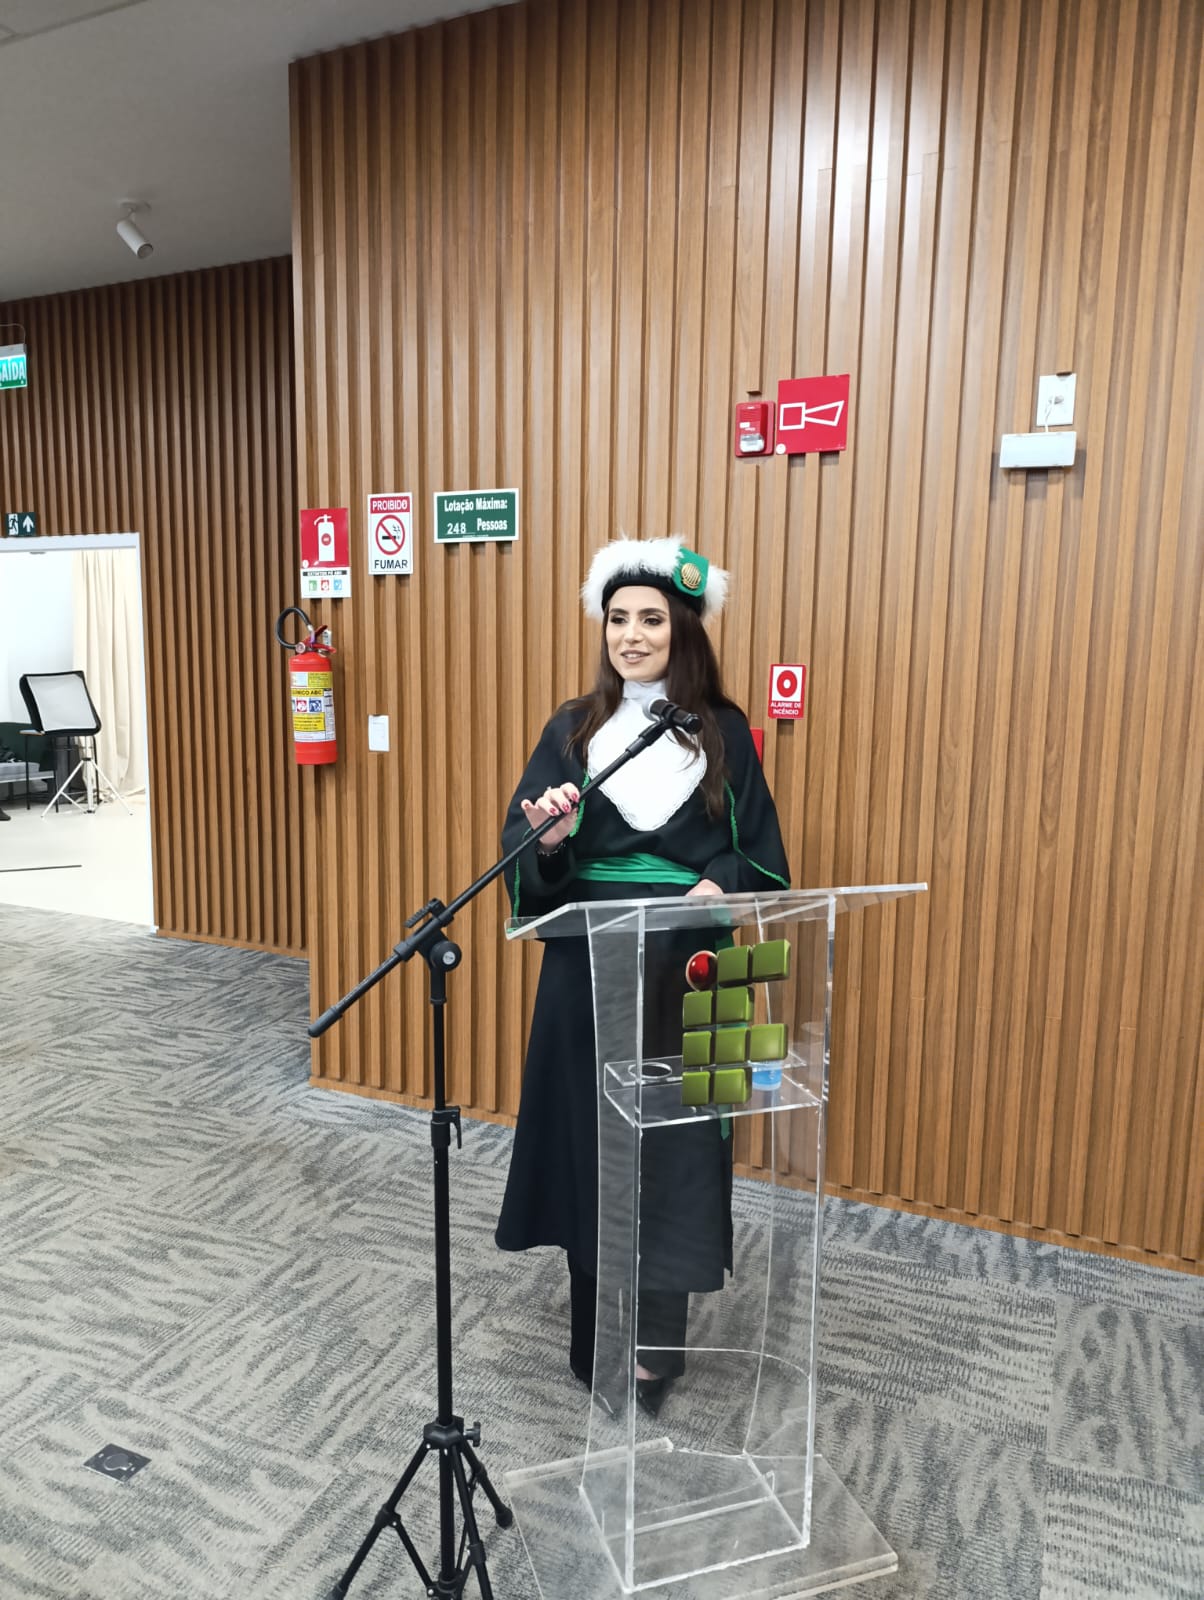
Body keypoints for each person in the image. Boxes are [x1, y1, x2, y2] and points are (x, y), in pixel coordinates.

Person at [495, 536, 790, 1414]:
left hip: (695, 965)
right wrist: (548, 841)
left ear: (683, 630)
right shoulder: (572, 729)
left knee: (681, 1152)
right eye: (617, 618)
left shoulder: (726, 730)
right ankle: (598, 1340)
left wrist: (721, 882)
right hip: (592, 966)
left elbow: (764, 858)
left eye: (651, 619)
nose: (631, 635)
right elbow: (526, 852)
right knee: (596, 1147)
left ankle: (657, 1349)